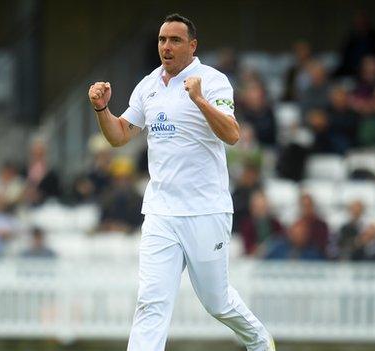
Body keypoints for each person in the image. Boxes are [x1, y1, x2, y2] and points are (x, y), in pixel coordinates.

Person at [87, 13, 274, 351]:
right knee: (151, 301)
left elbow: (232, 135)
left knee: (216, 302)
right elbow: (119, 137)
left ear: (192, 45)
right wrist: (103, 110)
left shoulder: (212, 81)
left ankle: (260, 341)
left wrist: (200, 101)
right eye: (162, 40)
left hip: (206, 210)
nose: (166, 47)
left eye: (175, 40)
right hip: (161, 211)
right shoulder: (148, 85)